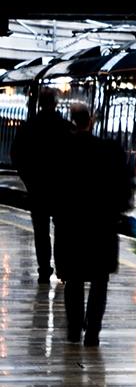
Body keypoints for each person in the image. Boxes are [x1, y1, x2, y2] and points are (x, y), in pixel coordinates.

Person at [55, 104, 133, 345]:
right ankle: (93, 333)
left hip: (71, 224)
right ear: (91, 121)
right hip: (102, 224)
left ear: (72, 121)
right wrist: (119, 209)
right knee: (100, 280)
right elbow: (124, 186)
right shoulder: (110, 150)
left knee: (73, 278)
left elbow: (54, 187)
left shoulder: (62, 149)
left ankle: (73, 330)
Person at [14, 89, 74, 284]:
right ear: (55, 103)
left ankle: (44, 270)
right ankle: (62, 268)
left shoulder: (28, 127)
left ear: (40, 103)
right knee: (62, 230)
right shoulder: (66, 128)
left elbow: (17, 156)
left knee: (40, 231)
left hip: (37, 188)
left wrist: (28, 179)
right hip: (61, 189)